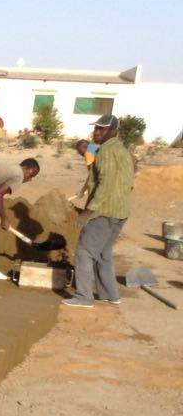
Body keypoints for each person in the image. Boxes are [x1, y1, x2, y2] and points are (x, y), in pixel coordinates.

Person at [63, 114, 134, 308]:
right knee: (103, 254)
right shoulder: (122, 150)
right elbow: (126, 182)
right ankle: (110, 294)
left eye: (102, 129)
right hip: (120, 211)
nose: (97, 132)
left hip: (104, 212)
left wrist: (88, 211)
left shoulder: (106, 151)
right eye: (96, 128)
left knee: (84, 252)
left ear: (113, 131)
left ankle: (83, 297)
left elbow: (106, 184)